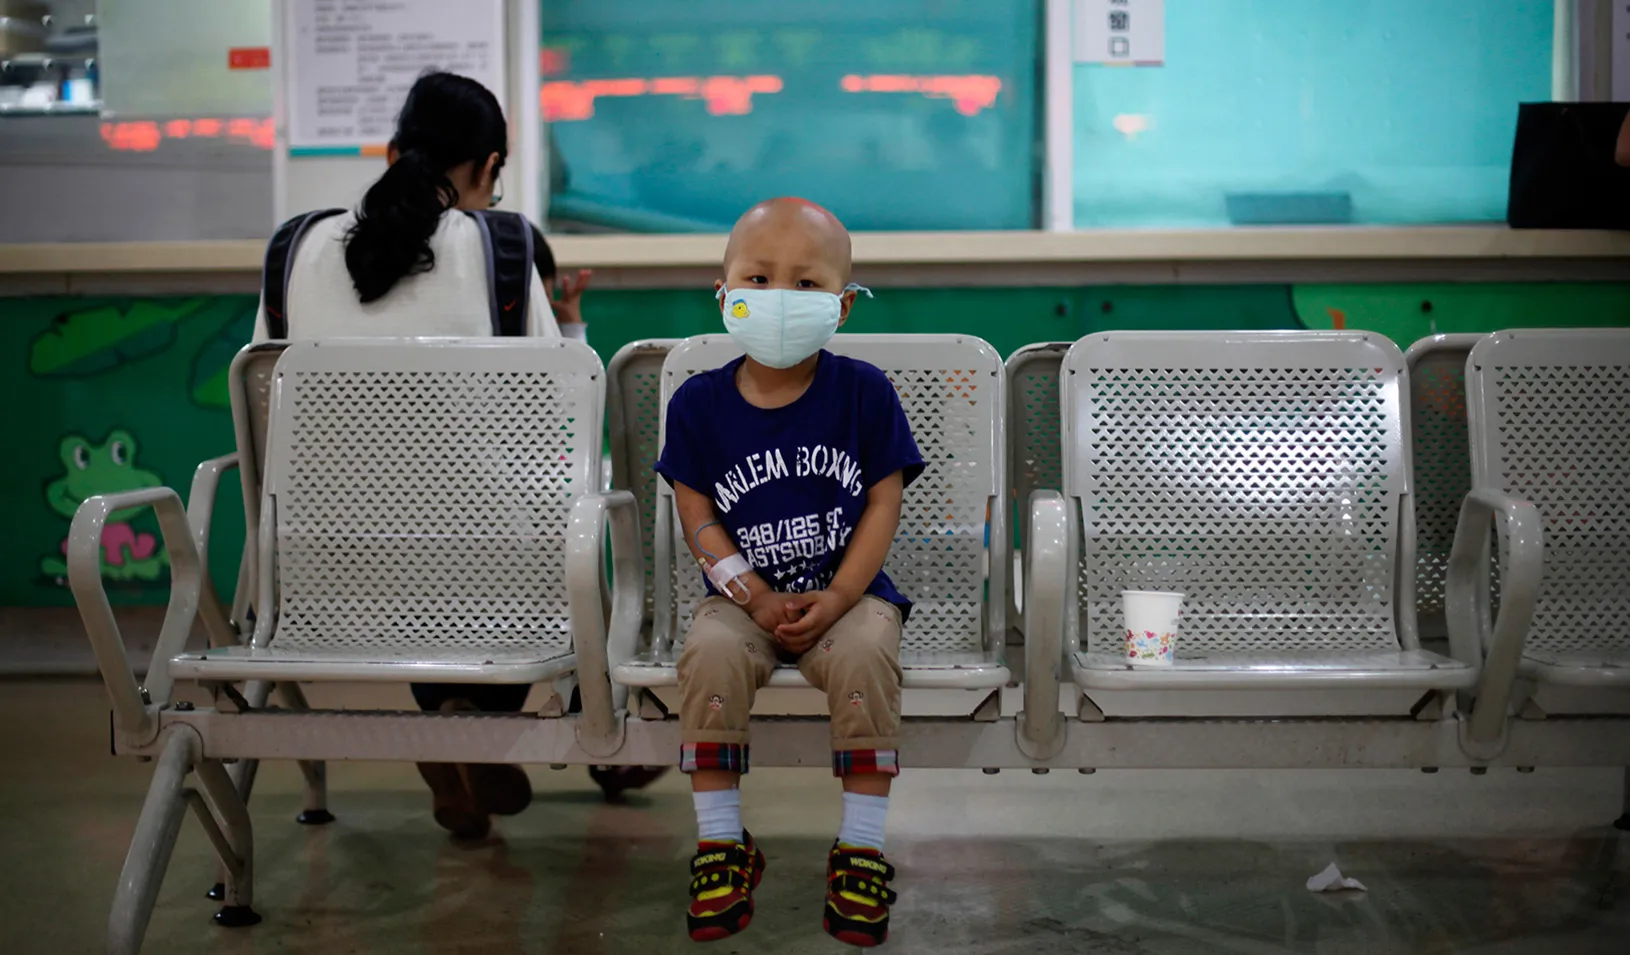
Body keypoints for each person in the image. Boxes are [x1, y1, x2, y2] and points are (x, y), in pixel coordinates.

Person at [252, 71, 656, 839]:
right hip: (487, 573)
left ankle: (450, 723)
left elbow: (269, 408)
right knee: (540, 522)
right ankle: (478, 721)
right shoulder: (500, 247)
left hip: (320, 573)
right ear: (487, 167)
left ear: (394, 152)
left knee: (406, 528)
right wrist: (569, 330)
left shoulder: (293, 248)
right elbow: (560, 420)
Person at [654, 198, 922, 947]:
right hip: (743, 602)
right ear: (724, 289)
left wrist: (839, 596)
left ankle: (861, 847)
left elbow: (881, 504)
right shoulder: (699, 403)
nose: (778, 297)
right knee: (708, 652)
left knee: (870, 652)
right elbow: (697, 515)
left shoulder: (864, 391)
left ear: (843, 304)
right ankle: (720, 842)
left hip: (850, 596)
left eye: (805, 285)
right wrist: (756, 594)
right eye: (758, 276)